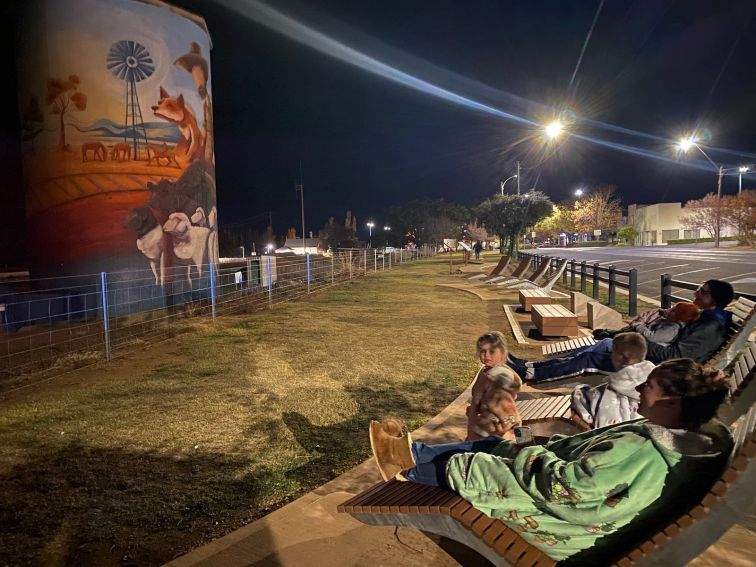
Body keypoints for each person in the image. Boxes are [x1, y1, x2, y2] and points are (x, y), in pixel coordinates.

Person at [369, 359, 732, 562]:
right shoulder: (675, 439)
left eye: (647, 386)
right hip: (565, 499)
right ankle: (411, 455)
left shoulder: (643, 454)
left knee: (479, 465)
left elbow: (566, 488)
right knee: (499, 442)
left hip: (560, 527)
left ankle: (410, 467)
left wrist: (524, 443)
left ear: (671, 403)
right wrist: (525, 442)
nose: (638, 390)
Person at [508, 279, 734, 384]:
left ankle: (531, 374)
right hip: (646, 357)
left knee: (590, 358)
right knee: (591, 349)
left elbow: (674, 357)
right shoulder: (704, 318)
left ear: (712, 299)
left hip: (653, 368)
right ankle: (531, 366)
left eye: (701, 291)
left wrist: (632, 341)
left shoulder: (710, 327)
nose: (696, 292)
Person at [570, 332, 656, 428]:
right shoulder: (656, 378)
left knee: (579, 392)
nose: (611, 356)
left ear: (624, 357)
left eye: (613, 353)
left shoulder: (616, 385)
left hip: (621, 435)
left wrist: (579, 390)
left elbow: (604, 421)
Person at [466, 332, 522, 441]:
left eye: (492, 351)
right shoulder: (486, 372)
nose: (486, 355)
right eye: (483, 351)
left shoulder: (498, 377)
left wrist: (479, 424)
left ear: (502, 353)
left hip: (490, 439)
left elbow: (507, 416)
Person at [593, 301, 700, 347]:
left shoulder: (672, 329)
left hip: (637, 344)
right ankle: (611, 334)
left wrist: (639, 325)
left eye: (673, 310)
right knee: (603, 341)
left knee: (604, 343)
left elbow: (651, 337)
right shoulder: (667, 321)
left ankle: (611, 336)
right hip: (634, 338)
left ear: (679, 316)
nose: (669, 310)